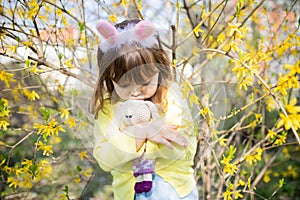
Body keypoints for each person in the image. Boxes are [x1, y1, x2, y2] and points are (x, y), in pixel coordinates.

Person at [90, 19, 198, 200]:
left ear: (159, 69)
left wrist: (126, 138)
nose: (136, 91)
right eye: (125, 84)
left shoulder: (170, 97)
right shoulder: (109, 108)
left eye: (145, 82)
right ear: (110, 79)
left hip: (174, 191)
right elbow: (104, 159)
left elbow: (183, 148)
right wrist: (143, 133)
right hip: (128, 195)